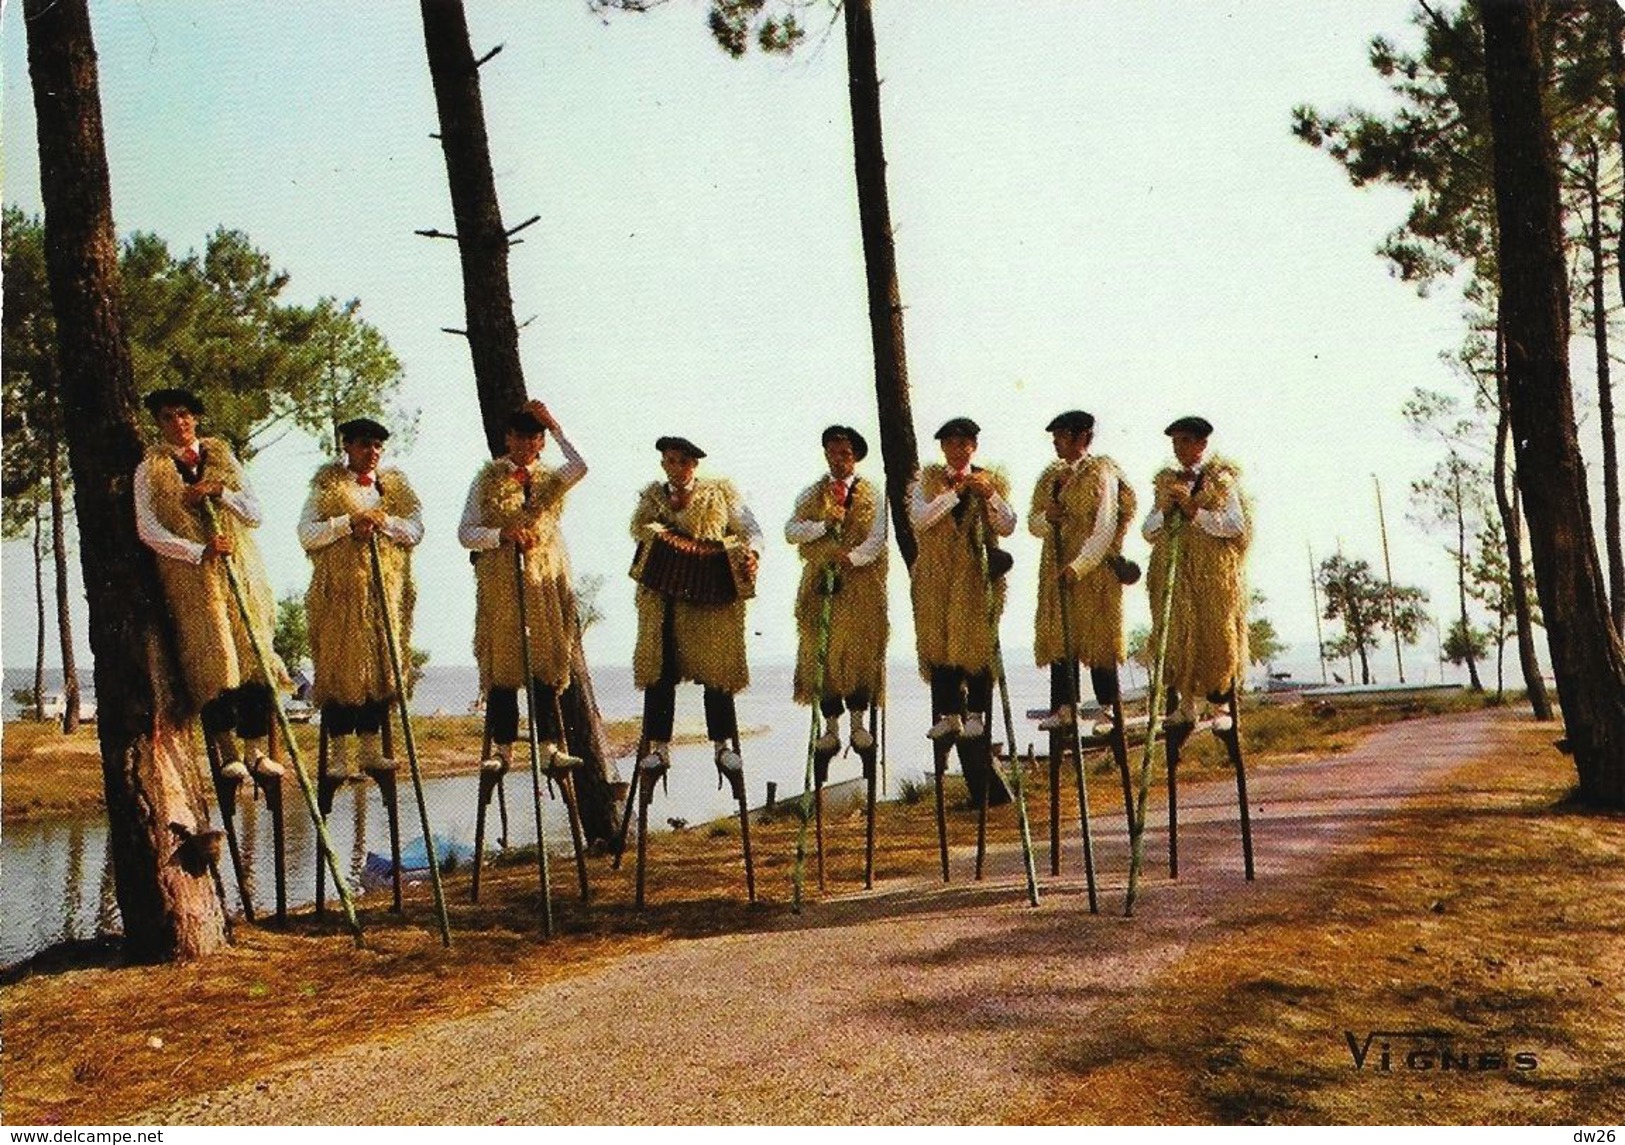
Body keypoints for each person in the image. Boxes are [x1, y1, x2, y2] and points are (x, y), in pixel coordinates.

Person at [134, 387, 286, 783]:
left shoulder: (223, 459)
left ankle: (255, 752)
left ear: (196, 418)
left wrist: (221, 492)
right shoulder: (150, 469)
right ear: (159, 423)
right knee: (213, 661)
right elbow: (148, 529)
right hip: (193, 578)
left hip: (239, 572)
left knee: (254, 657)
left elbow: (255, 514)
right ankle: (228, 753)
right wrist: (196, 550)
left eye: (184, 415)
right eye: (168, 417)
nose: (178, 423)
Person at [458, 400, 587, 773]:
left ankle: (548, 748)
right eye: (519, 436)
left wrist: (556, 425)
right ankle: (503, 749)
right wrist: (502, 535)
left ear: (541, 442)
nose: (526, 444)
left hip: (543, 580)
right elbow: (466, 533)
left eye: (534, 437)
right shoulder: (487, 479)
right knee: (503, 662)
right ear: (507, 439)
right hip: (501, 579)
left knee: (545, 658)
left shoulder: (550, 479)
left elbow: (580, 465)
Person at [297, 417, 423, 780]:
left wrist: (383, 523)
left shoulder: (395, 488)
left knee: (381, 669)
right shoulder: (327, 487)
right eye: (365, 445)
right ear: (348, 447)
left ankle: (370, 750)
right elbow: (307, 534)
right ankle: (338, 756)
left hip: (386, 590)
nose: (373, 453)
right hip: (340, 592)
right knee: (341, 668)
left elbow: (415, 530)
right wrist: (347, 523)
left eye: (378, 447)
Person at [630, 436, 762, 780]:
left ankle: (722, 747)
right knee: (660, 670)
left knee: (716, 671)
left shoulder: (720, 494)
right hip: (663, 600)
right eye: (670, 461)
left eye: (683, 462)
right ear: (663, 464)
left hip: (710, 600)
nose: (676, 468)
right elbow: (641, 535)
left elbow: (751, 530)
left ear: (694, 465)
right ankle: (659, 748)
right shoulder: (652, 500)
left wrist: (752, 556)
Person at [908, 416, 1016, 741]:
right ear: (942, 448)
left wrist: (991, 496)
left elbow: (1008, 525)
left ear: (974, 447)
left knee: (976, 641)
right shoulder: (926, 483)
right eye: (951, 444)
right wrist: (955, 495)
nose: (958, 450)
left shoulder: (990, 481)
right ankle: (950, 713)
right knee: (939, 641)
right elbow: (920, 519)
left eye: (964, 443)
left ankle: (977, 714)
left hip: (974, 577)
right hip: (937, 576)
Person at [1028, 410, 1137, 732]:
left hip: (1094, 570)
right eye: (1055, 436)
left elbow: (1104, 526)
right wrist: (1049, 517)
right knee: (1061, 635)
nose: (1056, 443)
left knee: (1098, 635)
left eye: (1062, 436)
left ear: (1082, 438)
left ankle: (1108, 709)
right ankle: (1064, 706)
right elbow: (1034, 525)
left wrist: (1079, 566)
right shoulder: (1051, 478)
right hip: (1057, 565)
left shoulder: (1101, 473)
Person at [1142, 415, 1251, 729]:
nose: (1179, 448)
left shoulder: (1221, 480)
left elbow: (1235, 524)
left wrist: (1195, 512)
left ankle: (1220, 708)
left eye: (1186, 441)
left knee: (1217, 634)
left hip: (1212, 574)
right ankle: (1186, 704)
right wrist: (1167, 511)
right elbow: (1148, 530)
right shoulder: (1166, 483)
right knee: (1178, 635)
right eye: (1176, 442)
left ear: (1202, 444)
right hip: (1178, 575)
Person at [785, 425, 888, 753]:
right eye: (833, 452)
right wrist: (823, 527)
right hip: (820, 584)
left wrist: (852, 558)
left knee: (857, 651)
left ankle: (858, 724)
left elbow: (878, 537)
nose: (839, 459)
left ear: (855, 457)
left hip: (859, 586)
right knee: (823, 651)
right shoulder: (811, 494)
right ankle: (830, 727)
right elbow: (791, 530)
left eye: (845, 453)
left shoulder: (873, 495)